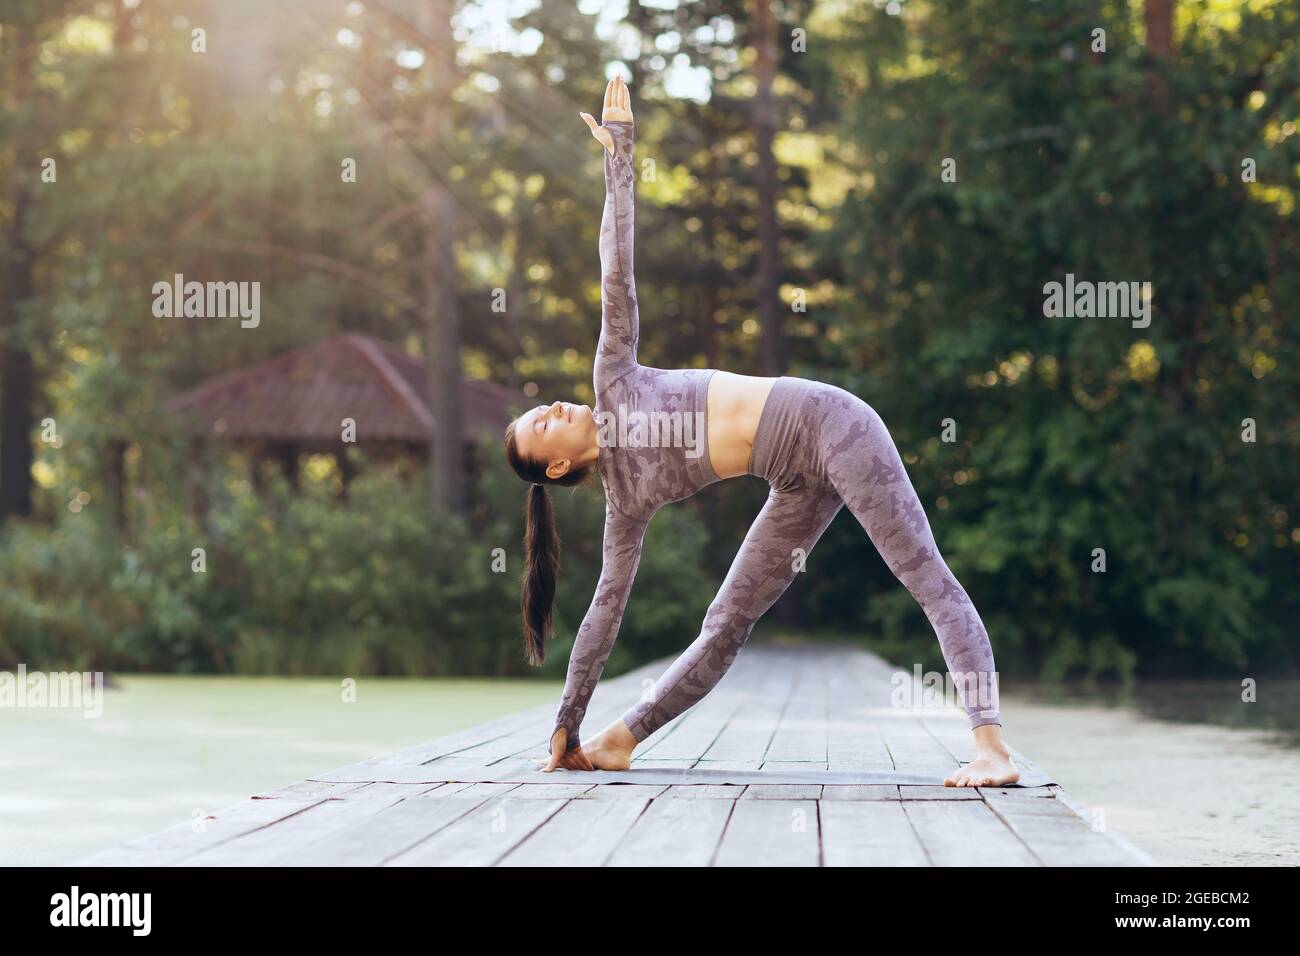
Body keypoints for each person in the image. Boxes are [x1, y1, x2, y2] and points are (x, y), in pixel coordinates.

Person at [502, 75, 1018, 787]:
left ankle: (991, 746)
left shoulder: (613, 376)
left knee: (924, 574)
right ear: (554, 469)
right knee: (725, 622)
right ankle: (622, 738)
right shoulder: (625, 505)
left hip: (833, 424)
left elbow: (615, 269)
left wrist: (619, 152)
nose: (554, 408)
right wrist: (568, 721)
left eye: (545, 405)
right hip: (794, 477)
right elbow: (603, 613)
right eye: (542, 425)